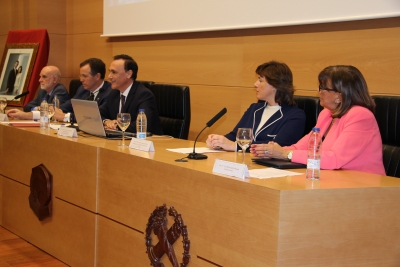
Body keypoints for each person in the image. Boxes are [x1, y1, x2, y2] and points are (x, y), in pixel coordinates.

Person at [251, 65, 385, 175]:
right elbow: (302, 147)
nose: (317, 90)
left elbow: (335, 159)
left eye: (322, 88)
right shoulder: (327, 114)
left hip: (363, 185)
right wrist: (272, 151)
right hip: (332, 178)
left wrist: (285, 154)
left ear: (339, 95)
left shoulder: (360, 116)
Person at [206, 61, 306, 151]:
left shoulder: (295, 116)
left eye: (260, 80)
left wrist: (235, 146)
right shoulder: (254, 109)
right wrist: (218, 142)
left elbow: (278, 146)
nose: (255, 84)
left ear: (275, 85)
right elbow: (235, 136)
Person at [101, 54, 163, 134]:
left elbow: (142, 125)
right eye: (110, 72)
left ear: (129, 74)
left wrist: (115, 126)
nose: (109, 76)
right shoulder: (114, 93)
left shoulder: (143, 94)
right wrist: (107, 122)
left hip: (147, 142)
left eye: (114, 72)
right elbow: (98, 114)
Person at [53, 58, 112, 122]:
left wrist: (67, 117)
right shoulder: (82, 89)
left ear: (97, 76)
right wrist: (55, 110)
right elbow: (69, 105)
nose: (81, 79)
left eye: (85, 76)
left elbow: (94, 116)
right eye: (80, 76)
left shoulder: (110, 92)